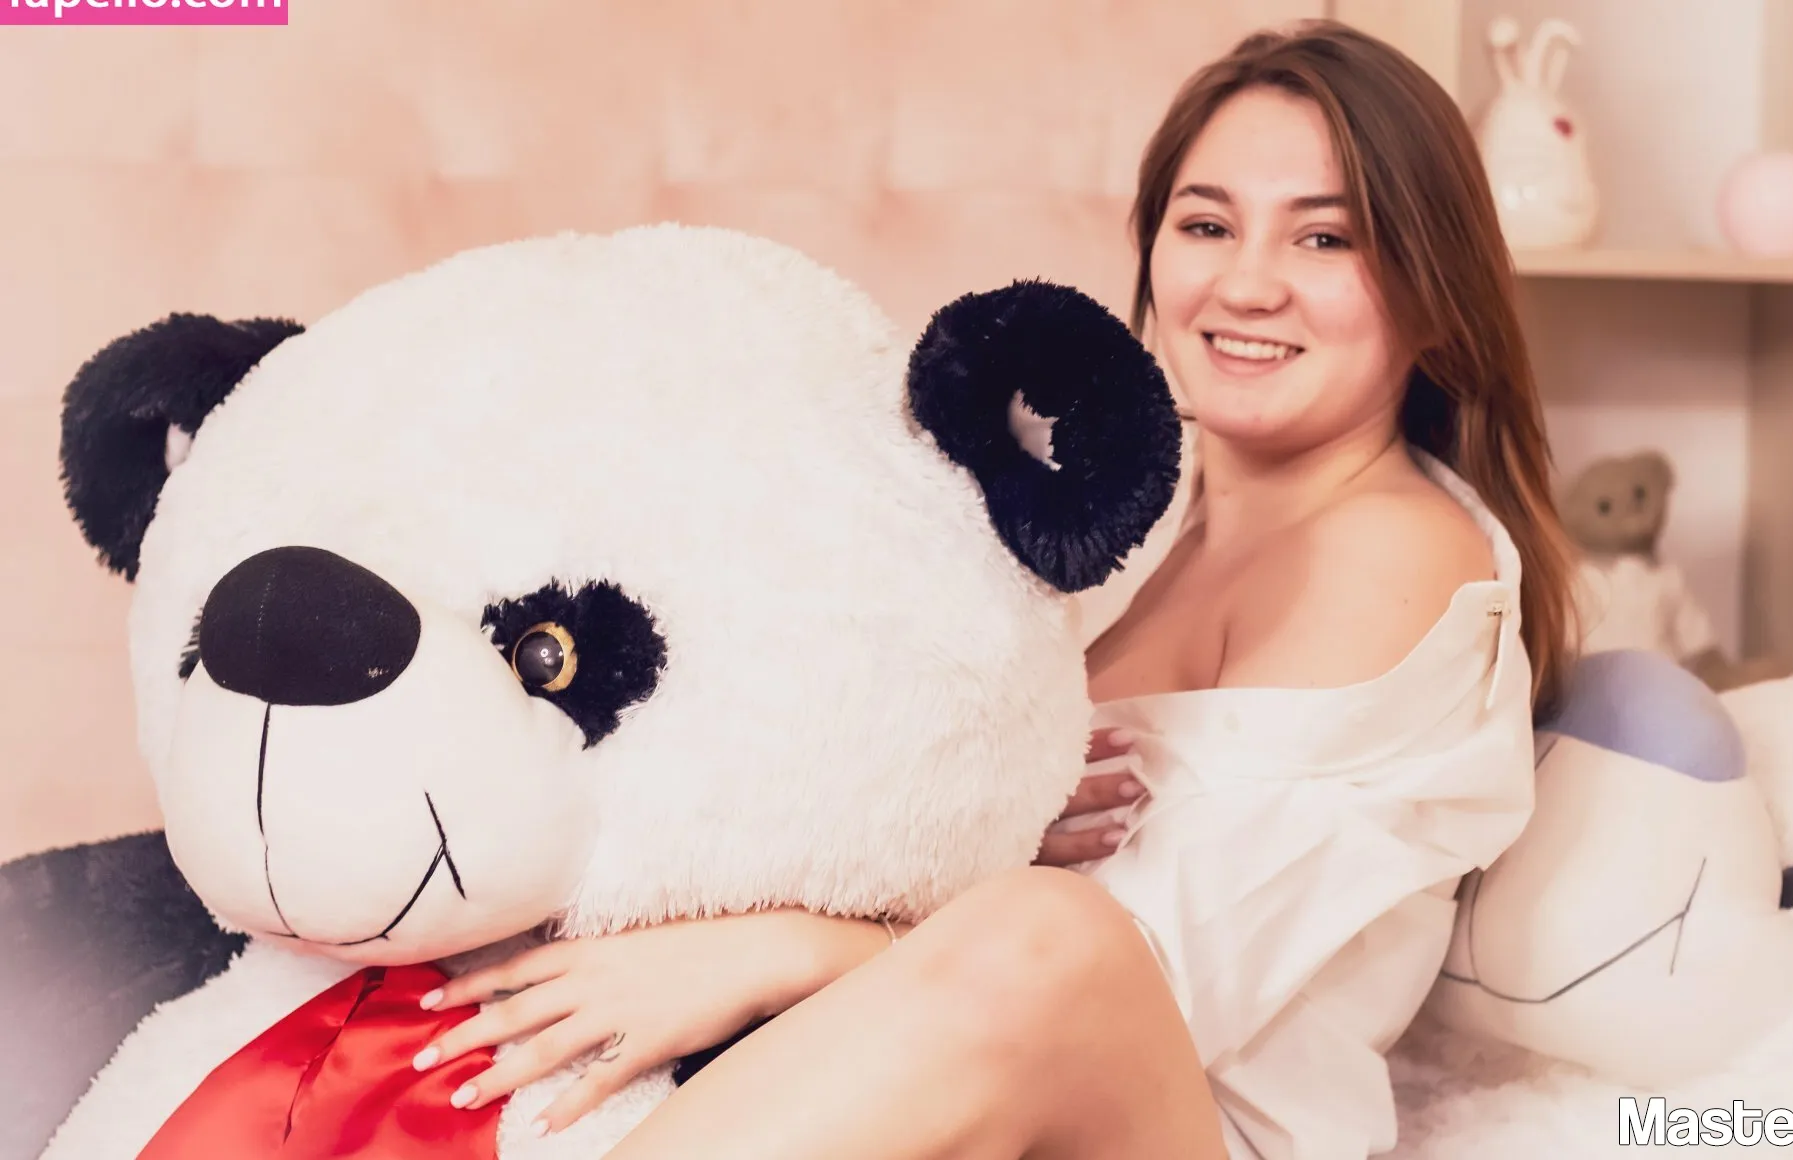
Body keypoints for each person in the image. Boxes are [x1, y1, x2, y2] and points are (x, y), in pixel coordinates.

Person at [409, 20, 1578, 1159]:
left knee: (1053, 927)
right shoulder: (1146, 525)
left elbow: (1136, 977)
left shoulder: (1393, 549)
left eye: (1324, 238)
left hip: (1181, 1119)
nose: (1247, 283)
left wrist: (776, 946)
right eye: (1207, 224)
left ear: (1432, 286)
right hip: (967, 1075)